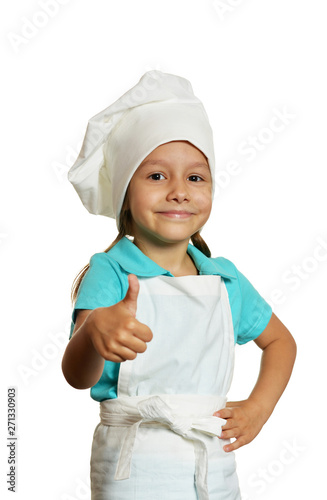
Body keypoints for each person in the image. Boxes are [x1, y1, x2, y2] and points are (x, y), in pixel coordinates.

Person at [62, 70, 297, 500]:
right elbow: (77, 377)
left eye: (195, 177)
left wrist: (258, 408)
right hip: (132, 469)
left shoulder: (222, 279)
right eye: (156, 176)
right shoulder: (110, 272)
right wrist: (94, 333)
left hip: (213, 468)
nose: (179, 192)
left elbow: (281, 342)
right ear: (124, 194)